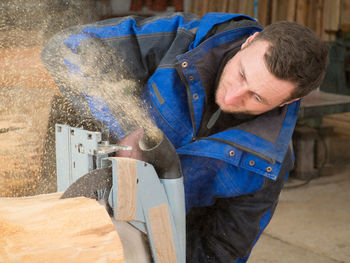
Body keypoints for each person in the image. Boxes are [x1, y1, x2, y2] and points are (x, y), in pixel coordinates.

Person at [42, 12, 328, 262]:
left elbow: (222, 249)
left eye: (256, 96)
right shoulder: (184, 40)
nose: (232, 96)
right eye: (241, 75)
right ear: (249, 42)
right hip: (67, 184)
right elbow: (66, 48)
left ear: (288, 102)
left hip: (148, 238)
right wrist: (124, 126)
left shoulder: (266, 164)